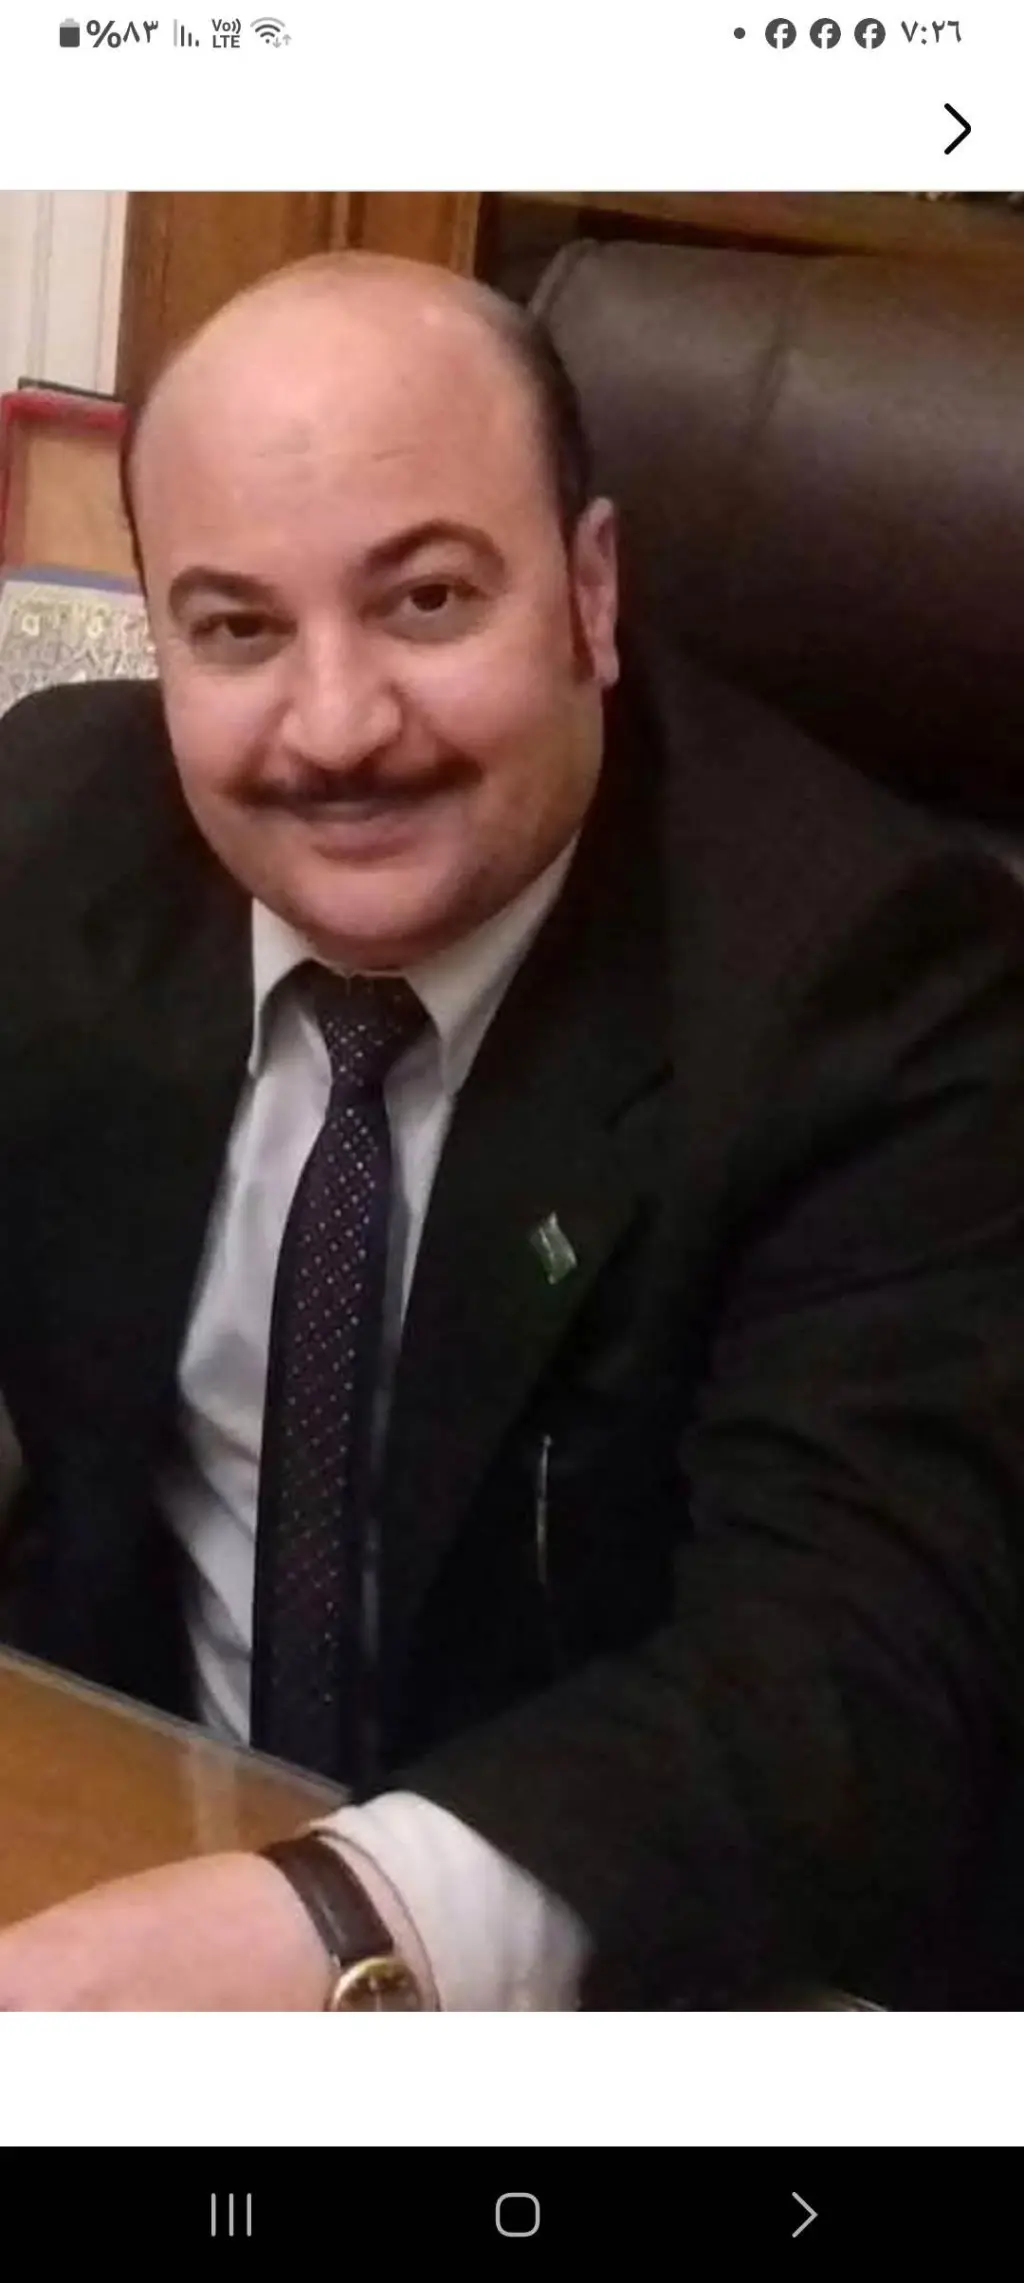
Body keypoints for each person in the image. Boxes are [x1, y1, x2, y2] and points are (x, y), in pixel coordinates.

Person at [0, 249, 1023, 2010]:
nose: (336, 726)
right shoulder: (54, 828)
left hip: (653, 1958)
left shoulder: (882, 984)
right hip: (133, 1840)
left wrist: (340, 1926)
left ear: (590, 593)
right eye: (237, 628)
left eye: (425, 601)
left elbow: (854, 1656)